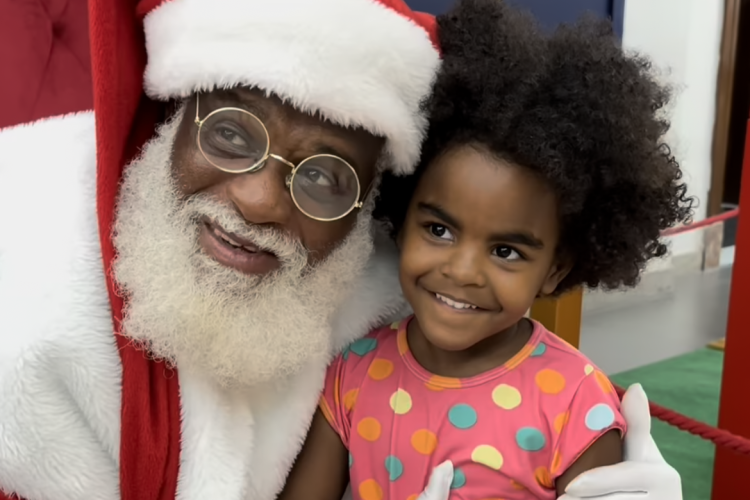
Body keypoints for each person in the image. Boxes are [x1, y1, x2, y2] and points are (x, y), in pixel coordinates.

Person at [0, 0, 681, 499]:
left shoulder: (369, 300)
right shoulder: (29, 292)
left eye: (325, 177)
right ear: (171, 114)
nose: (262, 201)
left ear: (370, 207)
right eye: (233, 133)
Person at [276, 1, 693, 499]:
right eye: (439, 230)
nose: (463, 270)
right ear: (402, 218)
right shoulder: (354, 373)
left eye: (507, 252)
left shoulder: (576, 405)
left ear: (554, 271)